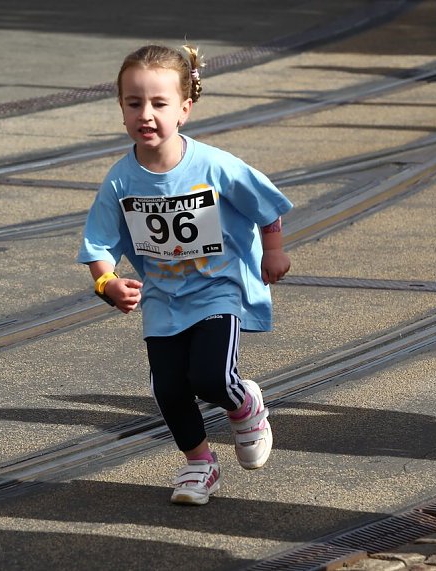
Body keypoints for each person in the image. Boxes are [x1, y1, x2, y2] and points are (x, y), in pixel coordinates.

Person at [77, 44, 292, 505]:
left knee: (211, 378)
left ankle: (245, 404)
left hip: (218, 288)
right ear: (121, 109)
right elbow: (98, 244)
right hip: (162, 297)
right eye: (134, 103)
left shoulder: (213, 165)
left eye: (159, 103)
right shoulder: (120, 180)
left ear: (184, 110)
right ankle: (200, 464)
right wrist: (106, 282)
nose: (146, 114)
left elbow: (267, 204)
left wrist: (272, 251)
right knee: (169, 388)